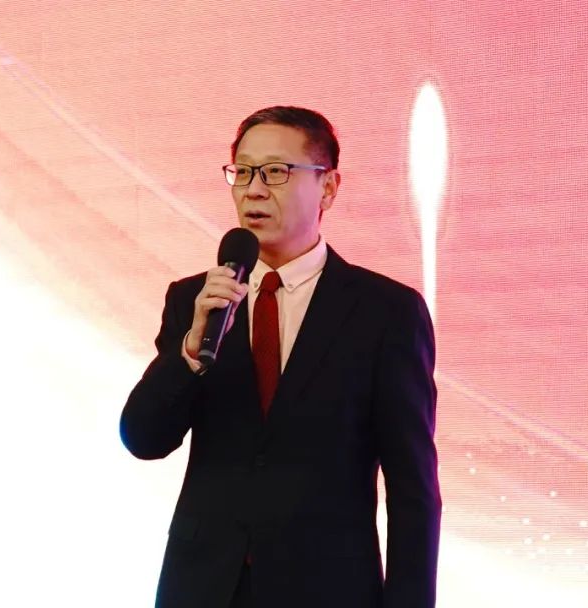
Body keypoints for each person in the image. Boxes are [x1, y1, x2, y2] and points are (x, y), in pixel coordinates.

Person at [120, 106, 440, 608]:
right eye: (243, 172)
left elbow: (412, 491)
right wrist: (191, 353)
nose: (253, 190)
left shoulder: (386, 312)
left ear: (328, 187)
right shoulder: (195, 301)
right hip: (203, 588)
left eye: (275, 172)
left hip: (328, 591)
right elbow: (144, 439)